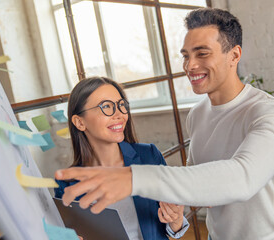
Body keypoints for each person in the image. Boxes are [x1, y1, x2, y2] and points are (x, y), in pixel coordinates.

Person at [56, 8, 274, 240]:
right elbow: (198, 180)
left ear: (234, 55)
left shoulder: (271, 114)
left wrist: (133, 178)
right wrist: (177, 212)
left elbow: (244, 178)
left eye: (202, 53)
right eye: (186, 55)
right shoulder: (198, 114)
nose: (189, 65)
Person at [54, 77, 189, 240]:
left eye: (121, 105)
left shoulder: (149, 156)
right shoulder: (66, 184)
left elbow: (172, 224)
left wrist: (176, 221)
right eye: (106, 106)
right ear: (80, 122)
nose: (119, 114)